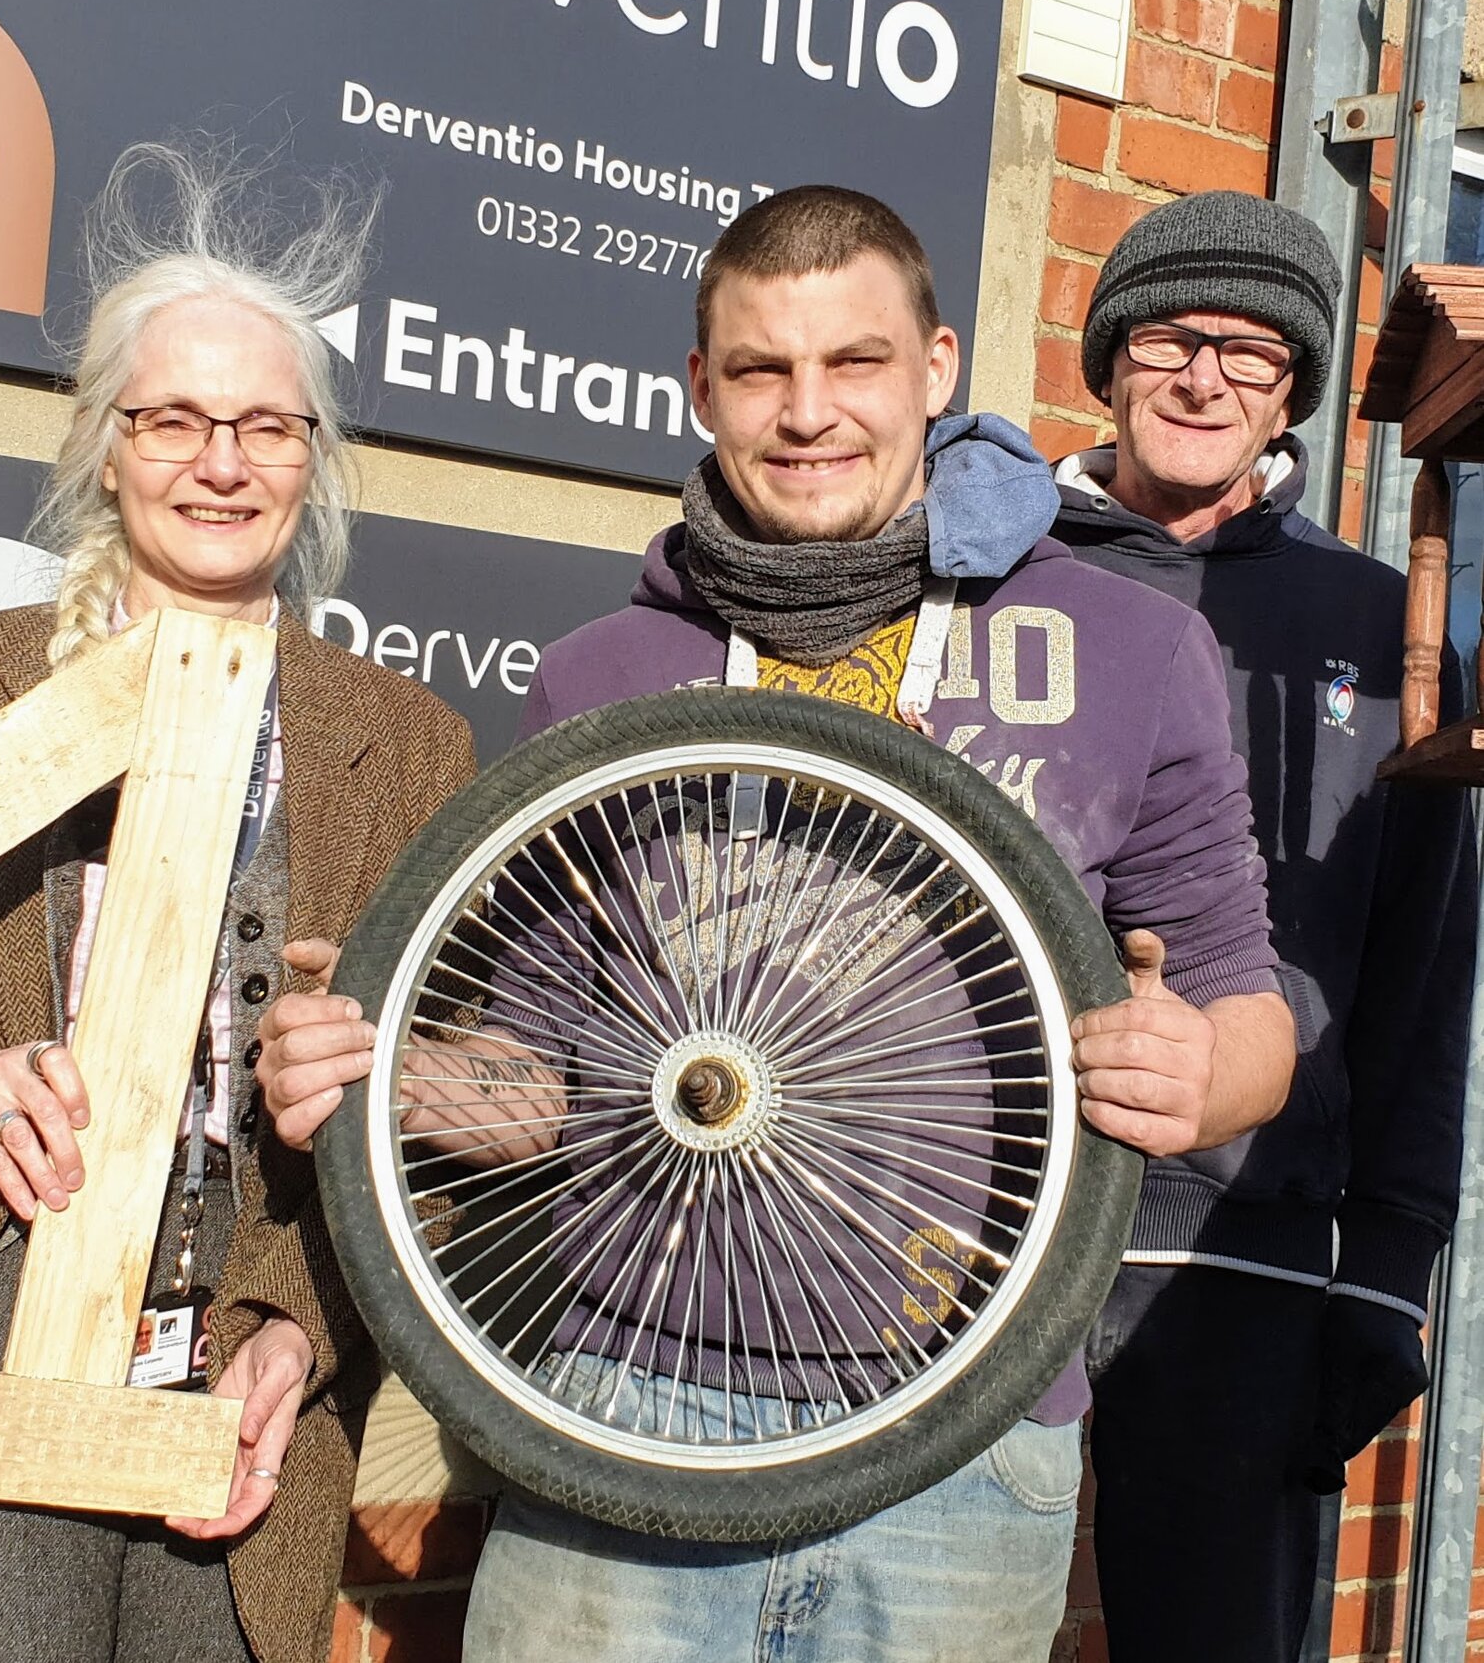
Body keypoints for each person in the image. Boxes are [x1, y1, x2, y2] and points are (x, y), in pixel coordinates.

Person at [258, 184, 1293, 1661]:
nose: (809, 414)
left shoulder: (1132, 647)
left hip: (967, 1422)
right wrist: (378, 1078)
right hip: (624, 1411)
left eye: (855, 364)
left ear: (935, 370)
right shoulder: (604, 676)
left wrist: (1202, 1074)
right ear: (702, 389)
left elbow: (1252, 1015)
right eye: (761, 371)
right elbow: (546, 1079)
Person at [0, 145, 475, 1663]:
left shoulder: (408, 743)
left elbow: (432, 1100)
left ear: (313, 457)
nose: (221, 462)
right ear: (106, 445)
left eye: (267, 425)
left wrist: (309, 1334)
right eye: (174, 419)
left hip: (247, 1338)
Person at [1048, 190, 1477, 1663]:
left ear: (1291, 386)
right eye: (1170, 335)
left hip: (1249, 1256)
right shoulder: (999, 583)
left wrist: (1389, 1269)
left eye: (1253, 351)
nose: (1205, 376)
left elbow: (1423, 977)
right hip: (991, 1229)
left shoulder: (1375, 623)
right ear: (1108, 359)